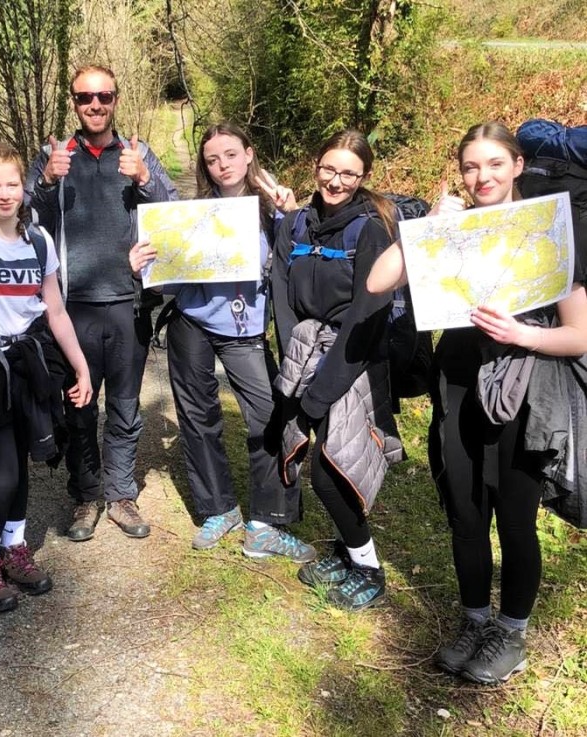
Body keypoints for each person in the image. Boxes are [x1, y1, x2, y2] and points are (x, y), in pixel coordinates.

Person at [367, 121, 587, 684]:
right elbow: (377, 282)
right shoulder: (453, 231)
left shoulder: (549, 231)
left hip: (523, 392)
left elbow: (579, 334)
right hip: (458, 386)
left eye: (494, 163)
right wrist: (424, 230)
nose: (482, 176)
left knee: (515, 521)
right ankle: (474, 622)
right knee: (466, 516)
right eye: (470, 166)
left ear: (518, 166)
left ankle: (510, 634)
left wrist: (523, 334)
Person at [128, 122, 315, 562]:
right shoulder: (194, 212)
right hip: (191, 322)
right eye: (212, 159)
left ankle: (266, 524)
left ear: (249, 154)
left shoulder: (274, 208)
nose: (222, 165)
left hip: (245, 330)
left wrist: (292, 216)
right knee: (198, 418)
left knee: (269, 418)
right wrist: (141, 265)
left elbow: (303, 262)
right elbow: (168, 273)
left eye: (230, 155)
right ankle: (219, 509)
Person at [27, 64, 177, 541]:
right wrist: (47, 183)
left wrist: (146, 180)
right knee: (80, 408)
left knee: (126, 408)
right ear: (73, 101)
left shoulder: (139, 154)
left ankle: (121, 495)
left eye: (104, 96)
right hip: (73, 309)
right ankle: (86, 495)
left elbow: (175, 216)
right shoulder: (53, 156)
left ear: (116, 99)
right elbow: (24, 223)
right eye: (84, 97)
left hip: (129, 304)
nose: (95, 104)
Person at [270, 129, 403, 612]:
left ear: (363, 177)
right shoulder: (296, 225)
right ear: (316, 166)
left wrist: (321, 391)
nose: (336, 181)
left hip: (353, 360)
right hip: (306, 356)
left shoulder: (370, 230)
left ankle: (369, 567)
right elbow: (283, 298)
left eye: (349, 173)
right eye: (329, 168)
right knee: (319, 464)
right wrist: (296, 369)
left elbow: (368, 315)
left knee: (332, 472)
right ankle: (347, 553)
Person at [0, 142, 92, 610]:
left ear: (24, 185)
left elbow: (54, 310)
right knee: (2, 476)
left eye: (12, 184)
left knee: (22, 468)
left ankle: (14, 548)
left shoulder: (38, 240)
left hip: (29, 365)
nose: (5, 193)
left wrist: (80, 366)